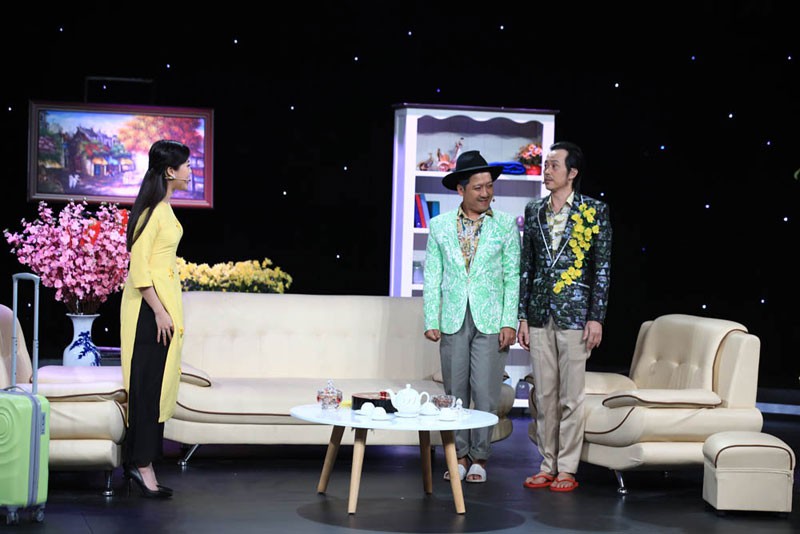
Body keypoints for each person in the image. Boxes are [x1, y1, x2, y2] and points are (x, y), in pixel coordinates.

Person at [517, 141, 612, 492]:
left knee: (571, 396)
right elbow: (527, 266)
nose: (547, 171)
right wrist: (522, 316)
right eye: (545, 165)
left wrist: (596, 317)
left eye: (553, 165)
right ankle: (547, 464)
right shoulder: (534, 210)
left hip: (576, 314)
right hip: (540, 312)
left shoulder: (594, 210)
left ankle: (567, 468)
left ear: (572, 172)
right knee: (544, 395)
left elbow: (601, 268)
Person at [423, 150, 520, 483]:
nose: (485, 193)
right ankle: (459, 456)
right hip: (453, 317)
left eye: (489, 186)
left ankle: (480, 457)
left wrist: (509, 321)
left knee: (486, 391)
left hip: (491, 318)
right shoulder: (439, 226)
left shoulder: (505, 224)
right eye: (478, 187)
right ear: (461, 190)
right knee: (455, 391)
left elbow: (512, 276)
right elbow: (432, 276)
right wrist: (431, 319)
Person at [120, 139, 192, 498]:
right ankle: (141, 464)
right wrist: (160, 311)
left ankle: (145, 462)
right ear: (169, 171)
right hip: (149, 313)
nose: (190, 171)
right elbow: (139, 268)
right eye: (186, 166)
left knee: (157, 386)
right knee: (147, 388)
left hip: (160, 309)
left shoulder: (163, 207)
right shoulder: (152, 211)